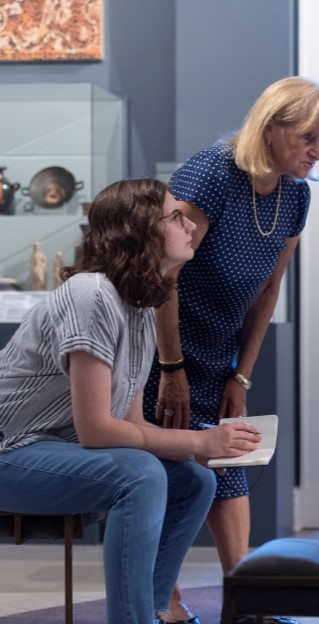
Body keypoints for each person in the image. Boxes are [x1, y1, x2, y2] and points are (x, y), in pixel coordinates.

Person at [0, 178, 262, 624]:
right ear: (142, 228)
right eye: (176, 217)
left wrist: (206, 442)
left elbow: (133, 428)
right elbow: (98, 430)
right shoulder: (93, 294)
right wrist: (200, 443)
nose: (191, 227)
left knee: (194, 482)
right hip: (11, 451)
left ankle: (153, 611)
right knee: (140, 474)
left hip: (50, 450)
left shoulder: (137, 304)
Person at [143, 76, 319, 624]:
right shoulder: (212, 172)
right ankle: (165, 601)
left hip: (217, 351)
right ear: (273, 128)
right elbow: (164, 269)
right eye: (308, 137)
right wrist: (170, 366)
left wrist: (241, 376)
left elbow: (268, 290)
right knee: (164, 470)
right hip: (163, 346)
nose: (317, 151)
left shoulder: (296, 195)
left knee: (229, 463)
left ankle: (245, 600)